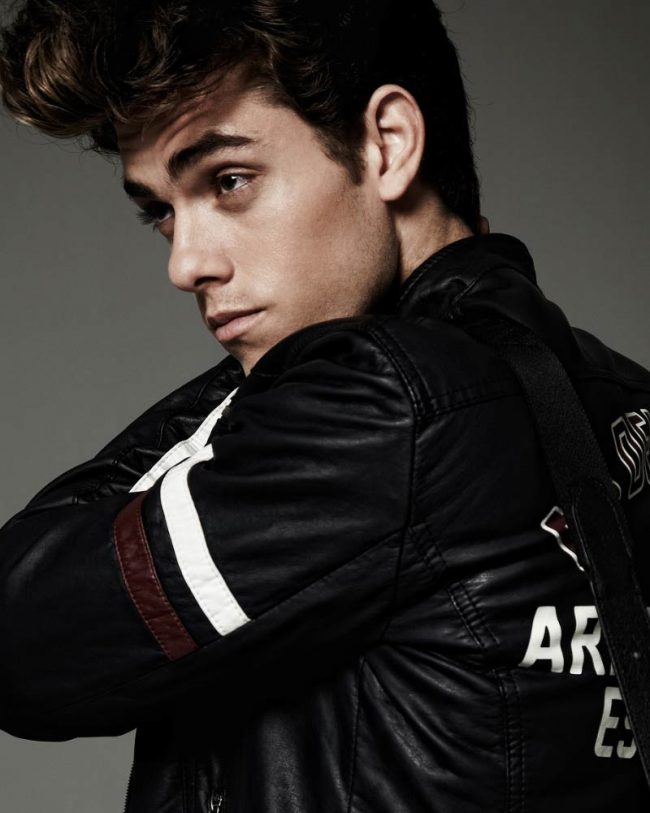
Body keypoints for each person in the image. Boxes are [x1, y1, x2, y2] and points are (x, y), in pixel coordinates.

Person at [0, 1, 649, 811]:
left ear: (388, 144)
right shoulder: (618, 395)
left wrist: (281, 375)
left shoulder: (376, 403)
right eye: (162, 210)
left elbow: (22, 637)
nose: (185, 263)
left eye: (229, 181)